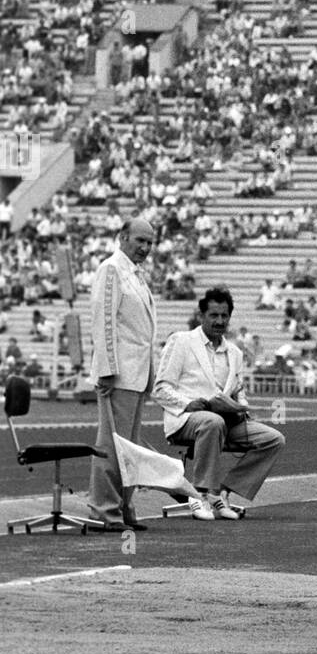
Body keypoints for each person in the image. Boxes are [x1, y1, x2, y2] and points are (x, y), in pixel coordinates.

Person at [152, 286, 285, 521]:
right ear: (201, 316)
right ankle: (201, 494)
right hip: (186, 420)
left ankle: (222, 492)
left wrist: (240, 408)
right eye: (214, 315)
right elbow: (160, 389)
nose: (219, 321)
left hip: (225, 421)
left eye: (224, 316)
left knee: (273, 439)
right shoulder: (181, 341)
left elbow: (239, 391)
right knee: (212, 421)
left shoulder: (234, 353)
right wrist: (190, 403)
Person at [88, 217, 159, 531]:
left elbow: (144, 333)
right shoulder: (112, 269)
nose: (144, 248)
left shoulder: (137, 276)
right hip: (118, 374)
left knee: (131, 449)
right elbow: (103, 321)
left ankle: (124, 508)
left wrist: (150, 374)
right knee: (112, 446)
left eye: (149, 243)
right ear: (122, 238)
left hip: (137, 374)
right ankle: (105, 509)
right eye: (139, 240)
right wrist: (106, 369)